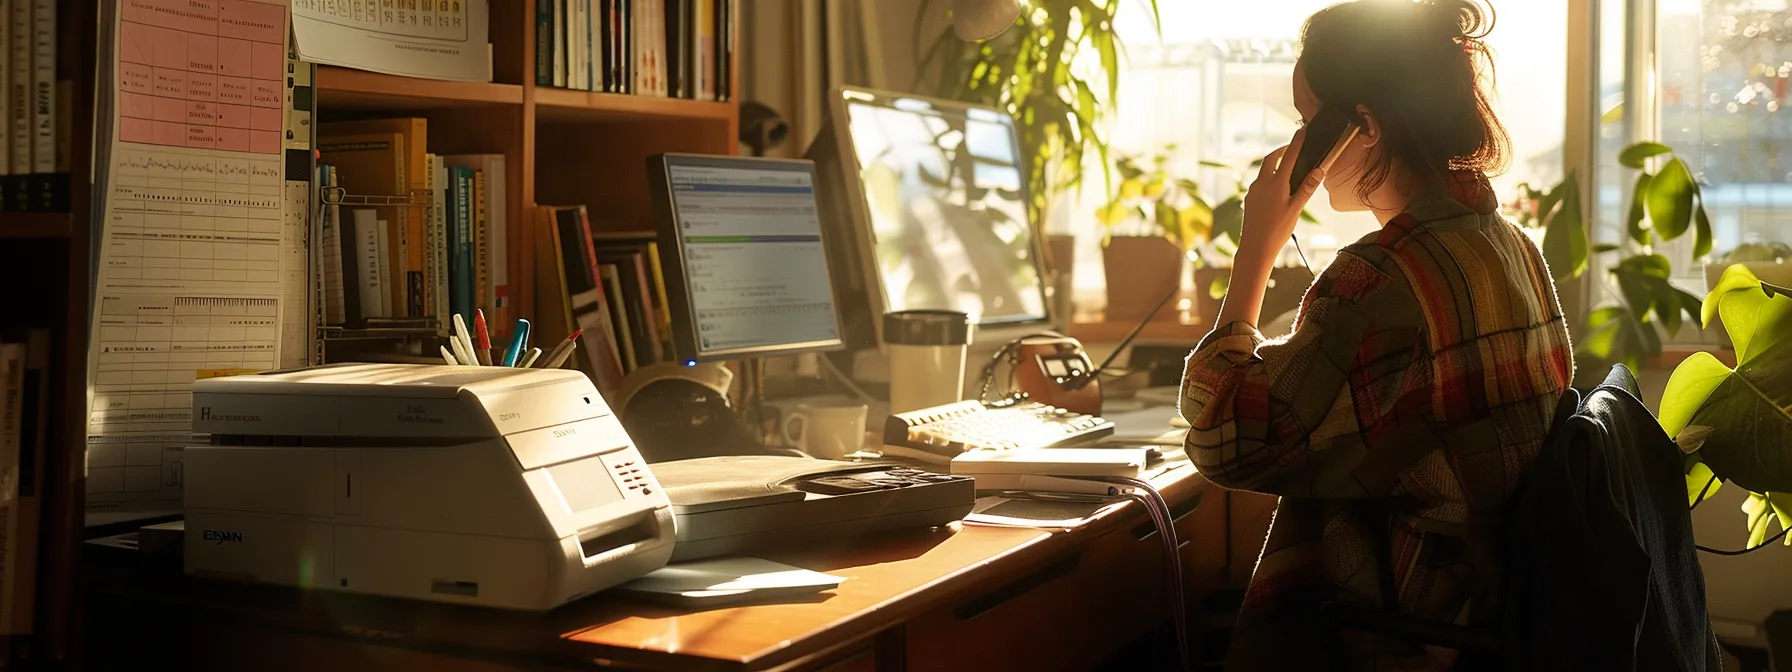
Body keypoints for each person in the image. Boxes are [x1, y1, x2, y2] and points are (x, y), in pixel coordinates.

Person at [1177, 0, 1573, 669]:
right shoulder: (1511, 246)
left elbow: (1223, 438)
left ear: (1358, 124)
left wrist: (1256, 250)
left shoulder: (1380, 275)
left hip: (1408, 624)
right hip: (1498, 606)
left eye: (1308, 121)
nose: (1298, 143)